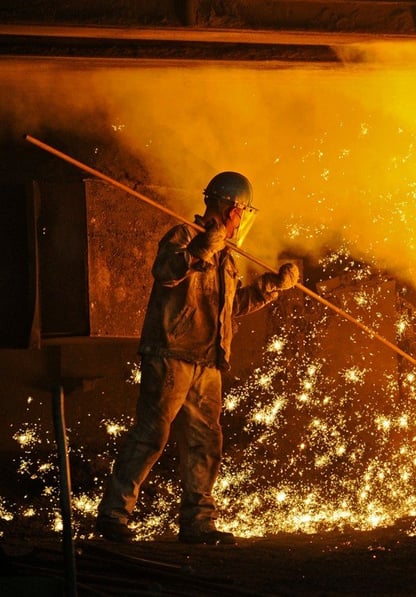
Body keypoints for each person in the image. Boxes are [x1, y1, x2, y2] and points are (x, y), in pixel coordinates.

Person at [95, 171, 299, 545]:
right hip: (171, 354)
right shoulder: (184, 236)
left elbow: (230, 307)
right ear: (231, 209)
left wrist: (270, 287)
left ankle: (198, 522)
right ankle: (113, 514)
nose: (241, 221)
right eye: (241, 213)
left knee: (205, 442)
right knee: (151, 435)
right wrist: (201, 248)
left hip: (208, 360)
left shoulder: (228, 256)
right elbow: (164, 272)